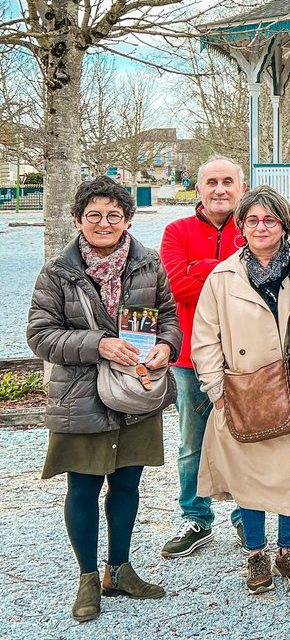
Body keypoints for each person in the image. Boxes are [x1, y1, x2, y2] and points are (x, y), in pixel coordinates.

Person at [27, 177, 181, 623]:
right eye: (93, 215)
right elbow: (40, 335)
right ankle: (89, 578)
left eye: (114, 215)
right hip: (80, 396)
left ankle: (121, 569)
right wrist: (99, 344)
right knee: (83, 488)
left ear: (127, 219)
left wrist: (166, 346)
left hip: (135, 392)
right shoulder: (58, 272)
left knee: (128, 485)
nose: (104, 223)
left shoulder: (148, 263)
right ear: (78, 220)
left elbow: (169, 318)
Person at [190, 186, 290, 595]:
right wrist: (217, 390)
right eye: (252, 220)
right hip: (244, 392)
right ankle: (255, 553)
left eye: (270, 219)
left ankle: (289, 550)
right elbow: (205, 338)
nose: (261, 227)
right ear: (241, 226)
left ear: (285, 225)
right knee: (249, 477)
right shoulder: (222, 278)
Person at [158, 155, 247, 558]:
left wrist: (200, 269)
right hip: (190, 359)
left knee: (247, 439)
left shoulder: (253, 226)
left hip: (245, 357)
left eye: (228, 181)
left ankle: (247, 515)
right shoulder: (177, 231)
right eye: (211, 182)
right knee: (192, 444)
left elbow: (258, 280)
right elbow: (174, 284)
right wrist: (230, 270)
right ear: (199, 189)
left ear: (241, 188)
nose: (220, 189)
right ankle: (196, 516)